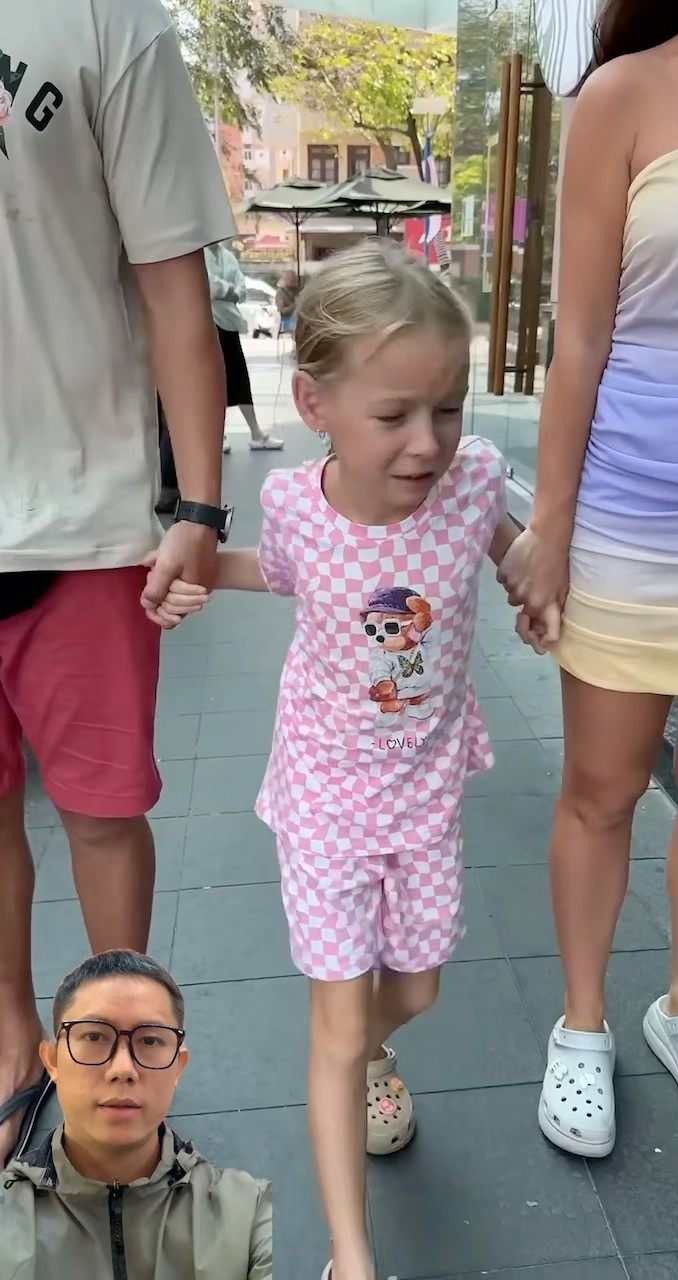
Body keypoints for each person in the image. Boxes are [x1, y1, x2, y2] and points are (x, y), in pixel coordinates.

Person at [156, 241, 559, 1280]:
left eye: (449, 408)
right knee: (335, 1025)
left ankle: (366, 1047)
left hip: (425, 786)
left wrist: (532, 576)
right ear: (316, 405)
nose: (428, 442)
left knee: (416, 989)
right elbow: (281, 571)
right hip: (326, 791)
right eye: (395, 415)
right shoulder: (299, 506)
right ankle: (350, 1249)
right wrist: (198, 573)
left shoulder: (473, 481)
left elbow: (505, 541)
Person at [0, 0, 238, 1168]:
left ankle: (117, 1056)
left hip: (84, 515)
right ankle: (10, 1036)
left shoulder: (103, 15)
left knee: (101, 812)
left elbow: (171, 279)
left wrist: (201, 506)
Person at [498, 0, 678, 1159]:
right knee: (602, 786)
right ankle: (581, 1023)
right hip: (636, 514)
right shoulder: (623, 94)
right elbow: (577, 335)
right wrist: (550, 527)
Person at [0, 950, 272, 1279]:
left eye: (150, 1040)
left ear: (178, 1066)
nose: (123, 1068)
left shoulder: (251, 1215)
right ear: (53, 1061)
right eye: (94, 1036)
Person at [204, 241, 284, 452]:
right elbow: (208, 286)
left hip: (229, 322)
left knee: (239, 376)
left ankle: (256, 433)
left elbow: (241, 288)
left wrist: (228, 291)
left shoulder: (227, 256)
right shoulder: (198, 254)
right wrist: (228, 290)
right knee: (214, 380)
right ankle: (217, 434)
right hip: (209, 322)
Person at [275, 271, 300, 336]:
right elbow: (281, 310)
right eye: (290, 279)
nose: (293, 281)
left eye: (294, 278)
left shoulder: (296, 291)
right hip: (286, 320)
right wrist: (294, 306)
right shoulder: (280, 293)